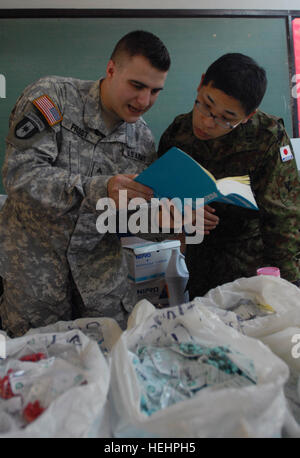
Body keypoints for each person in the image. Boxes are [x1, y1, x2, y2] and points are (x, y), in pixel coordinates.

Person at [0, 30, 170, 336]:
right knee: (38, 372)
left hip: (100, 285)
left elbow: (127, 218)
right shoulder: (52, 98)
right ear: (110, 70)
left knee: (108, 367)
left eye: (156, 91)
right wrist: (100, 189)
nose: (144, 100)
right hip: (35, 278)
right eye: (137, 85)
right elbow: (21, 176)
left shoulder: (141, 138)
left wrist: (166, 220)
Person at [158, 53, 300, 299]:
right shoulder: (177, 134)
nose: (207, 121)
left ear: (248, 116)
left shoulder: (267, 138)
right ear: (201, 83)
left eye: (226, 118)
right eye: (205, 104)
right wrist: (179, 211)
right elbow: (158, 201)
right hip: (198, 263)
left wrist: (290, 289)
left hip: (252, 265)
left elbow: (282, 220)